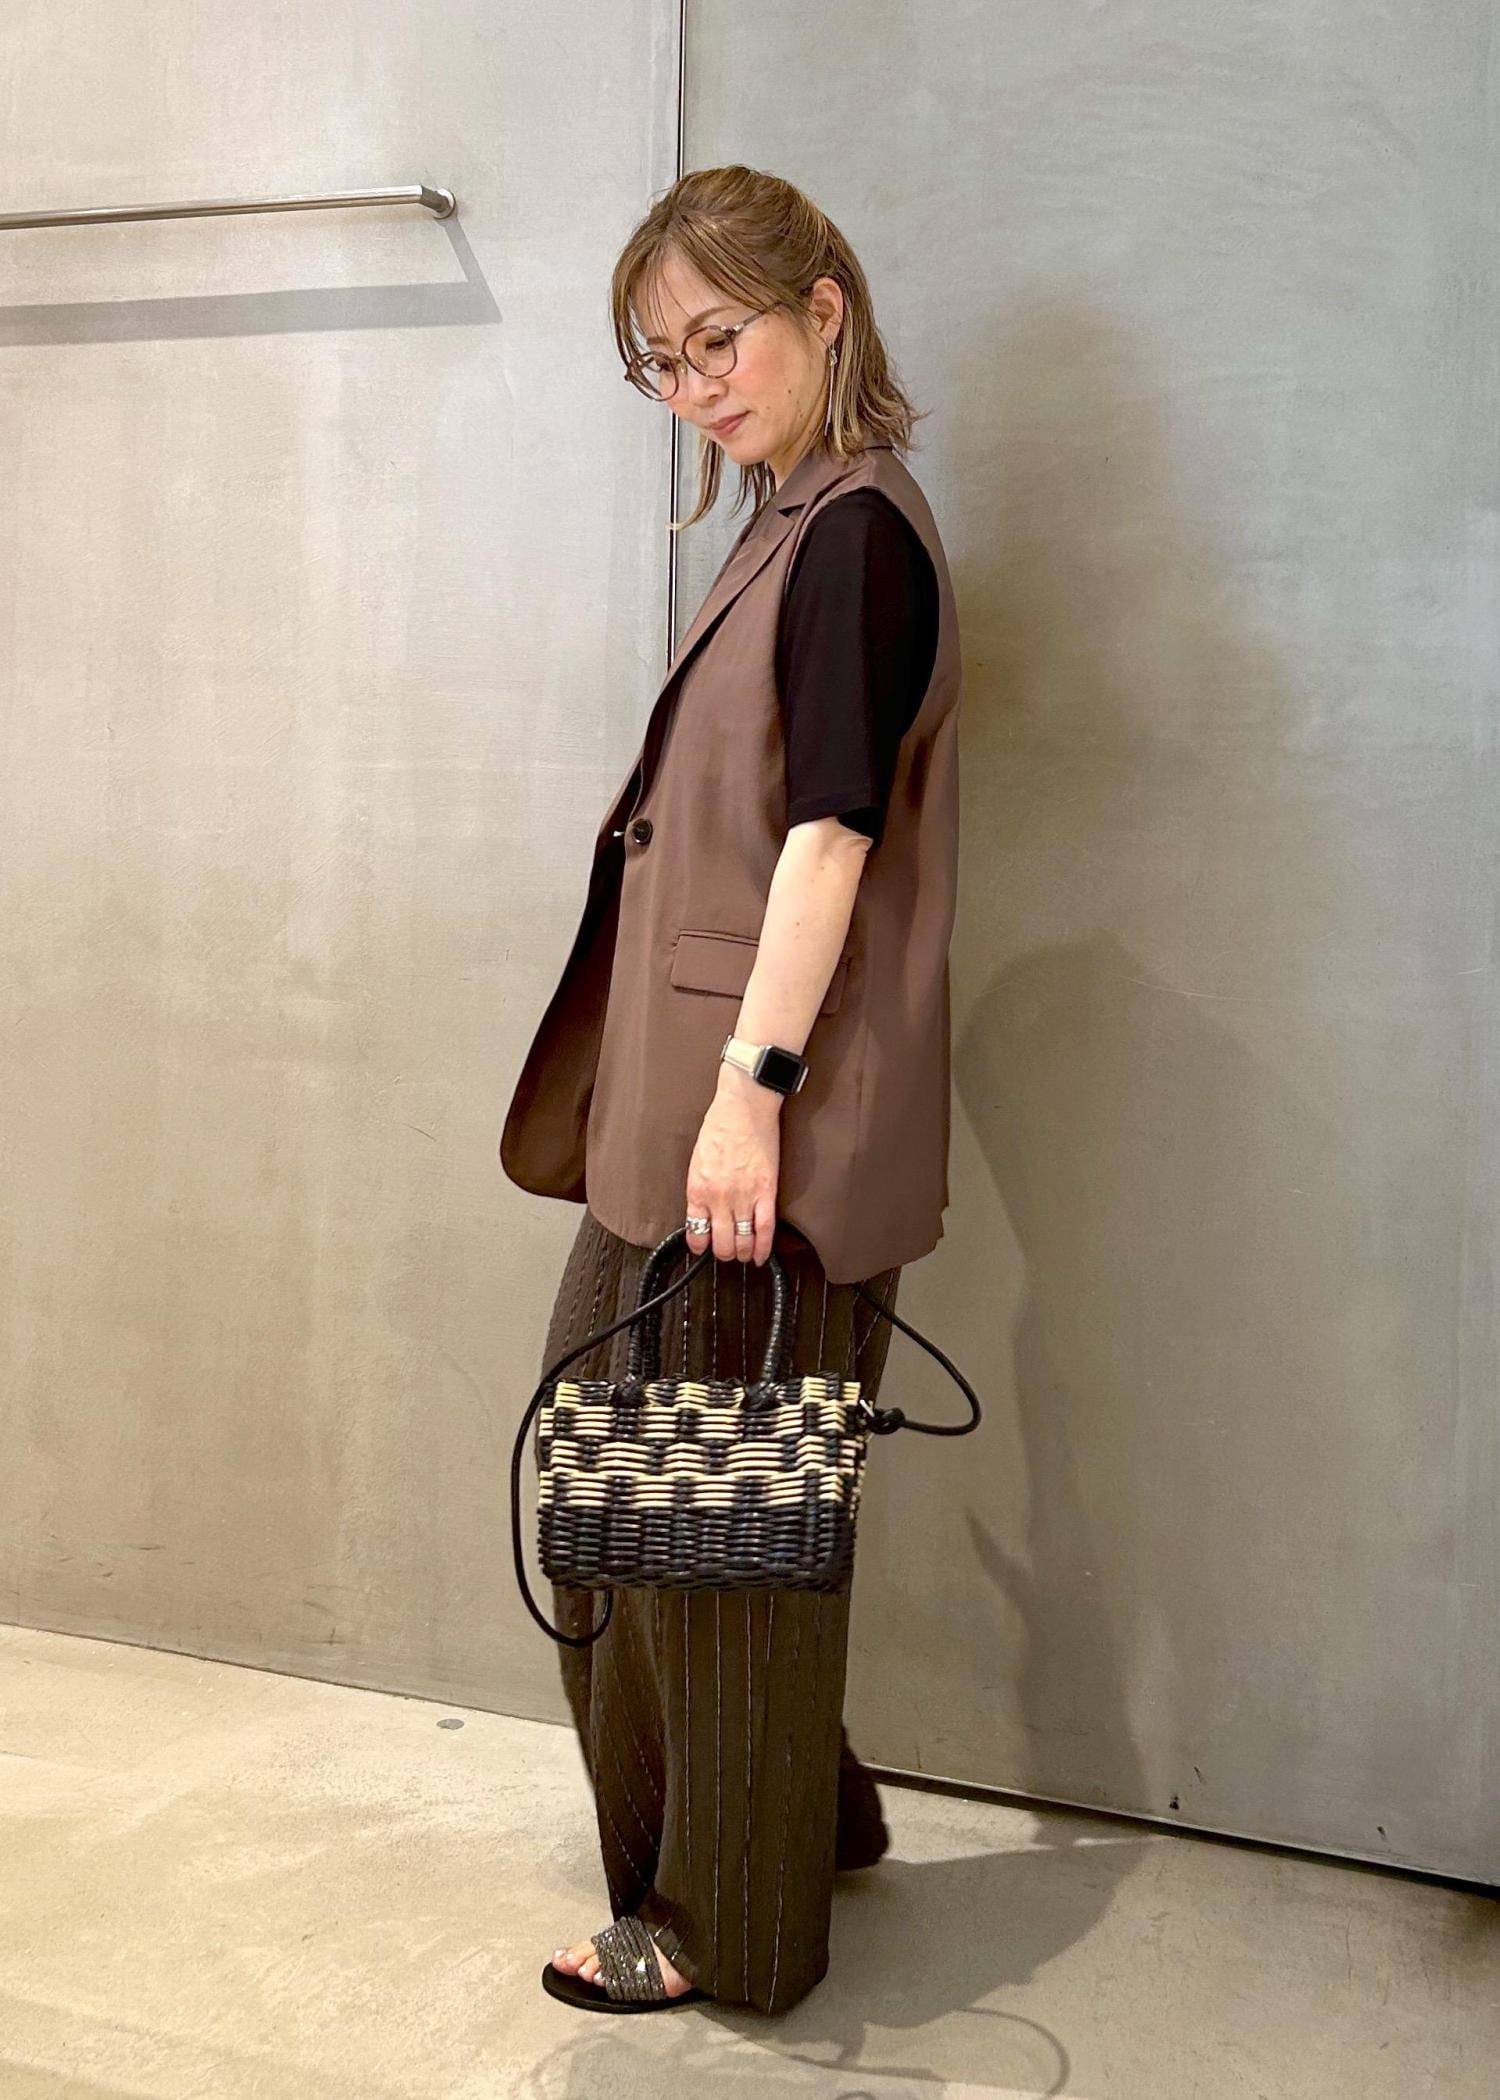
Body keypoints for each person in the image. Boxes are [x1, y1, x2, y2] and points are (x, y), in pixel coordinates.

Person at [498, 162, 962, 2014]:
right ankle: (803, 1814)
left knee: (691, 1540)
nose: (697, 387)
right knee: (688, 1511)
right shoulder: (796, 518)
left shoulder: (852, 538)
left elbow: (833, 837)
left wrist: (750, 1092)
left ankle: (723, 1921)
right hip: (693, 1114)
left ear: (821, 311)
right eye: (664, 365)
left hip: (758, 1124)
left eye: (721, 341)